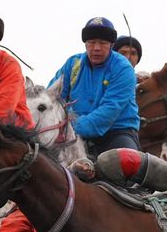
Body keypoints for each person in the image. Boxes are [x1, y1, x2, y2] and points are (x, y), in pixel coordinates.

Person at [49, 17, 140, 157]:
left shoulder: (123, 69)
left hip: (116, 132)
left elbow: (109, 110)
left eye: (103, 43)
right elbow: (52, 98)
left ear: (111, 44)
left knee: (128, 161)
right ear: (85, 44)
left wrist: (69, 128)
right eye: (91, 42)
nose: (96, 48)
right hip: (71, 132)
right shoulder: (73, 64)